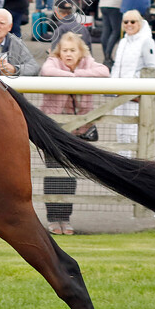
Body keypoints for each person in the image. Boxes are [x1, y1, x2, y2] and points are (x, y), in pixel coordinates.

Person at [40, 32, 109, 235]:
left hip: (79, 129)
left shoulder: (89, 63)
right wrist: (71, 76)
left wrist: (77, 75)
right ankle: (53, 218)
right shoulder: (52, 62)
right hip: (54, 129)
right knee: (53, 173)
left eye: (72, 50)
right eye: (65, 50)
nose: (68, 54)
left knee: (71, 174)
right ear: (59, 52)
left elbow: (104, 72)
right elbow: (47, 71)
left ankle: (65, 218)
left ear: (81, 52)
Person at [111, 10, 155, 156]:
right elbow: (116, 66)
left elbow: (151, 68)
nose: (129, 25)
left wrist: (134, 87)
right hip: (119, 95)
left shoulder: (146, 41)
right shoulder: (123, 42)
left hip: (135, 96)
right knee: (121, 133)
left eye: (133, 22)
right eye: (126, 22)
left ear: (140, 23)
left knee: (133, 133)